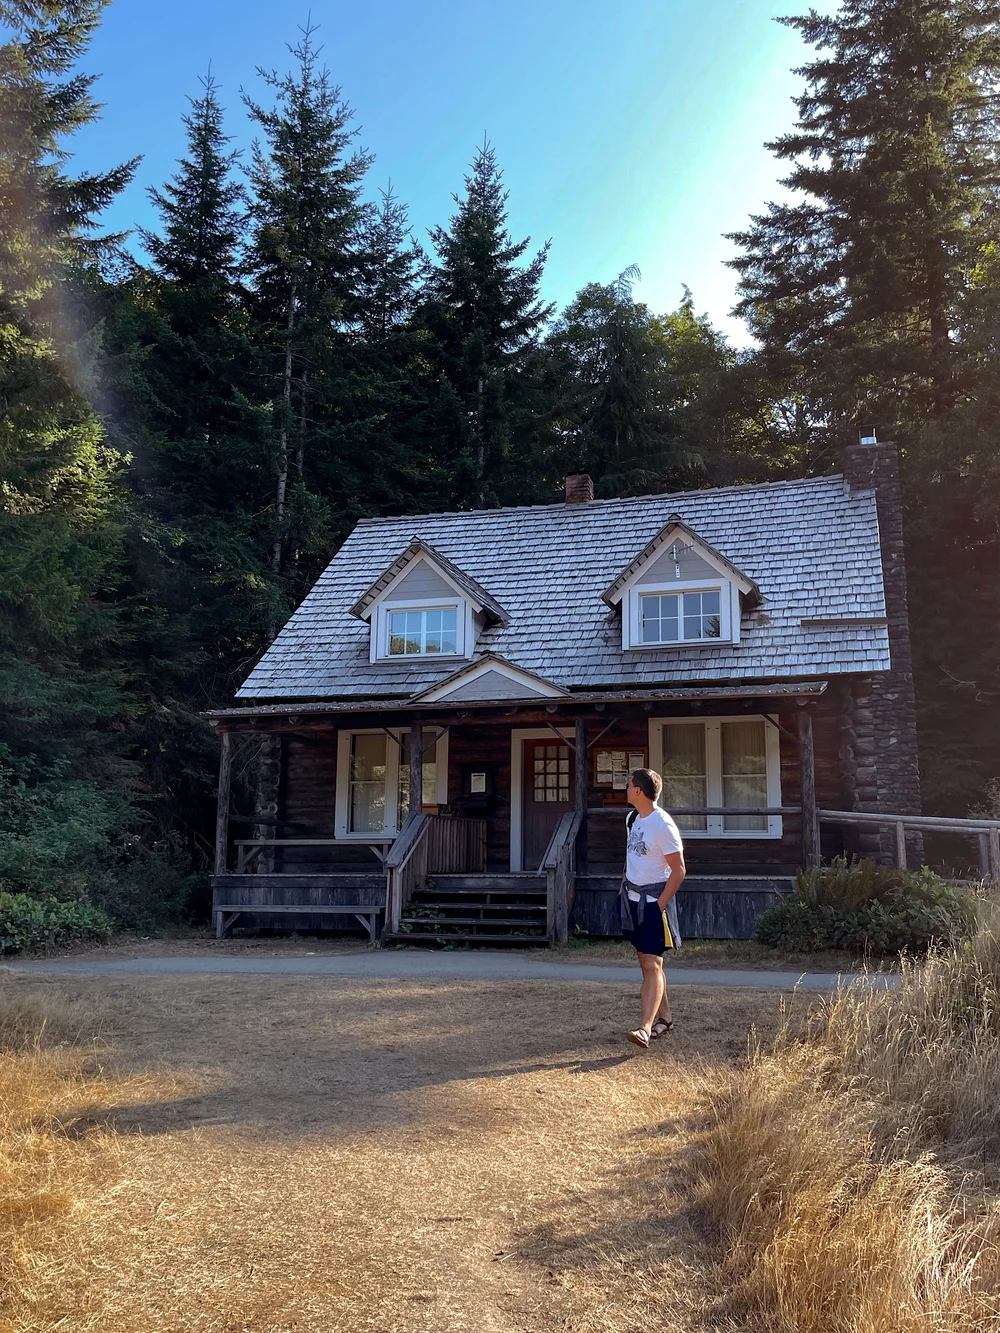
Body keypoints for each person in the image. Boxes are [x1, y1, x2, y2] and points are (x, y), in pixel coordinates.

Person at [619, 768, 686, 1050]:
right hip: (631, 900)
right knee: (646, 963)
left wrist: (659, 906)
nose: (625, 788)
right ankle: (665, 1017)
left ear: (639, 791)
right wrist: (623, 882)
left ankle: (645, 1029)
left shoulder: (663, 825)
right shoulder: (632, 818)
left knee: (652, 963)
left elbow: (679, 870)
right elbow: (631, 854)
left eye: (629, 785)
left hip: (652, 902)